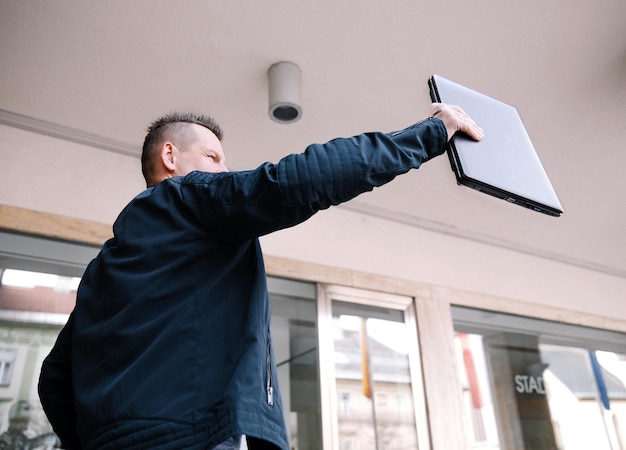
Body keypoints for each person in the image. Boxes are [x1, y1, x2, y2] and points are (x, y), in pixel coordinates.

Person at [38, 103, 482, 450]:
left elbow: (55, 378)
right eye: (212, 156)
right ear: (169, 156)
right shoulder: (191, 198)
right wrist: (430, 133)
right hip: (194, 435)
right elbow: (297, 180)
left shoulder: (104, 269)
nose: (223, 171)